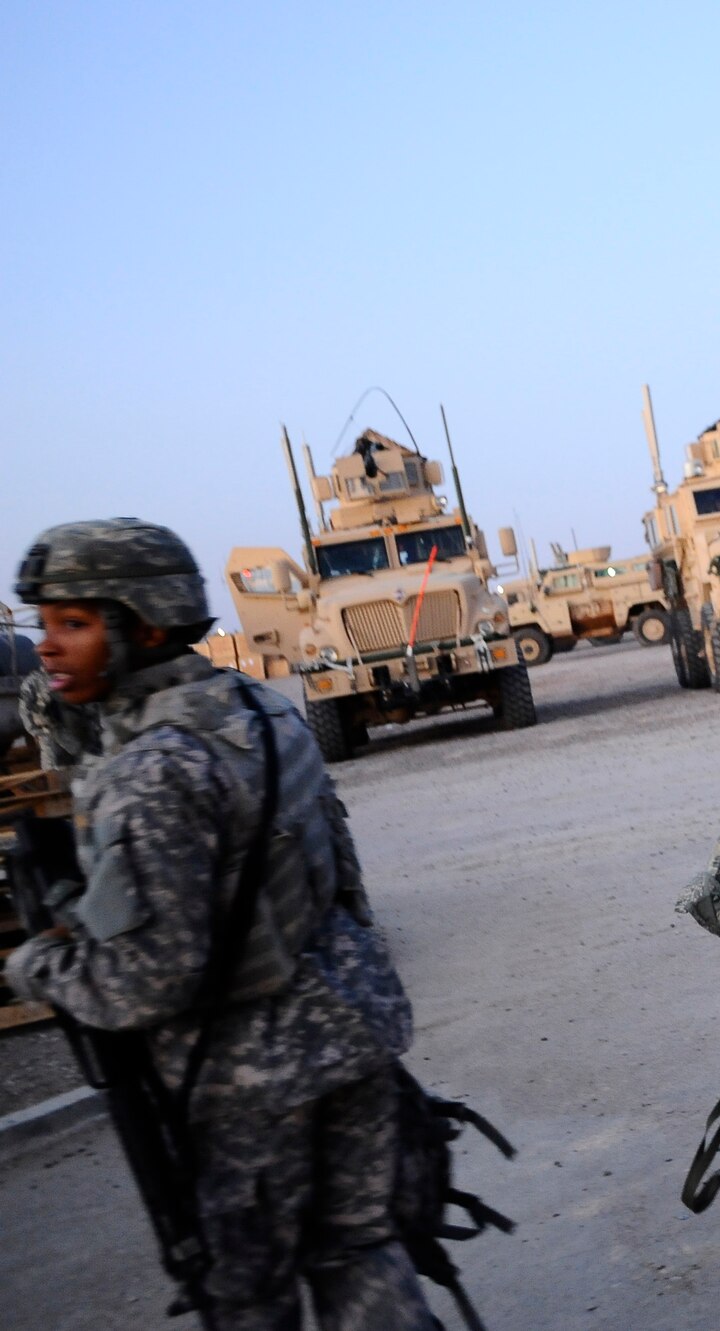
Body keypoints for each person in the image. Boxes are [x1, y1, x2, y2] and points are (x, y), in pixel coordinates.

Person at [6, 519, 433, 1331]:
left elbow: (151, 978)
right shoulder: (262, 712)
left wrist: (38, 967)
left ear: (147, 624)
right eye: (45, 626)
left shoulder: (152, 770)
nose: (48, 649)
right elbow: (342, 880)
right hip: (353, 1035)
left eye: (75, 623)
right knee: (359, 1253)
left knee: (249, 1298)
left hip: (250, 1084)